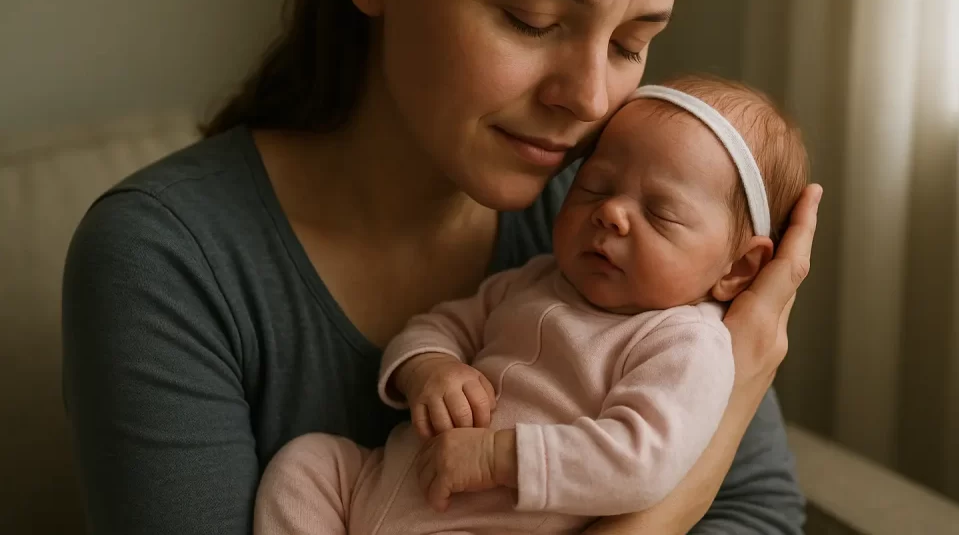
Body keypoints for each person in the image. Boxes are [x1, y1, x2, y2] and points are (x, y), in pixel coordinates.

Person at [61, 0, 822, 533]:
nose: (591, 98)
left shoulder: (610, 219)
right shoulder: (164, 262)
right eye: (533, 20)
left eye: (631, 43)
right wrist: (738, 384)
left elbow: (757, 512)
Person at [253, 75, 810, 535]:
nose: (611, 213)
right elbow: (441, 324)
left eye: (661, 213)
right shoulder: (536, 279)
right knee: (307, 465)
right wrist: (430, 368)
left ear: (737, 269)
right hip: (377, 486)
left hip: (490, 523)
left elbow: (642, 458)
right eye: (593, 187)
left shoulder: (685, 341)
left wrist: (499, 458)